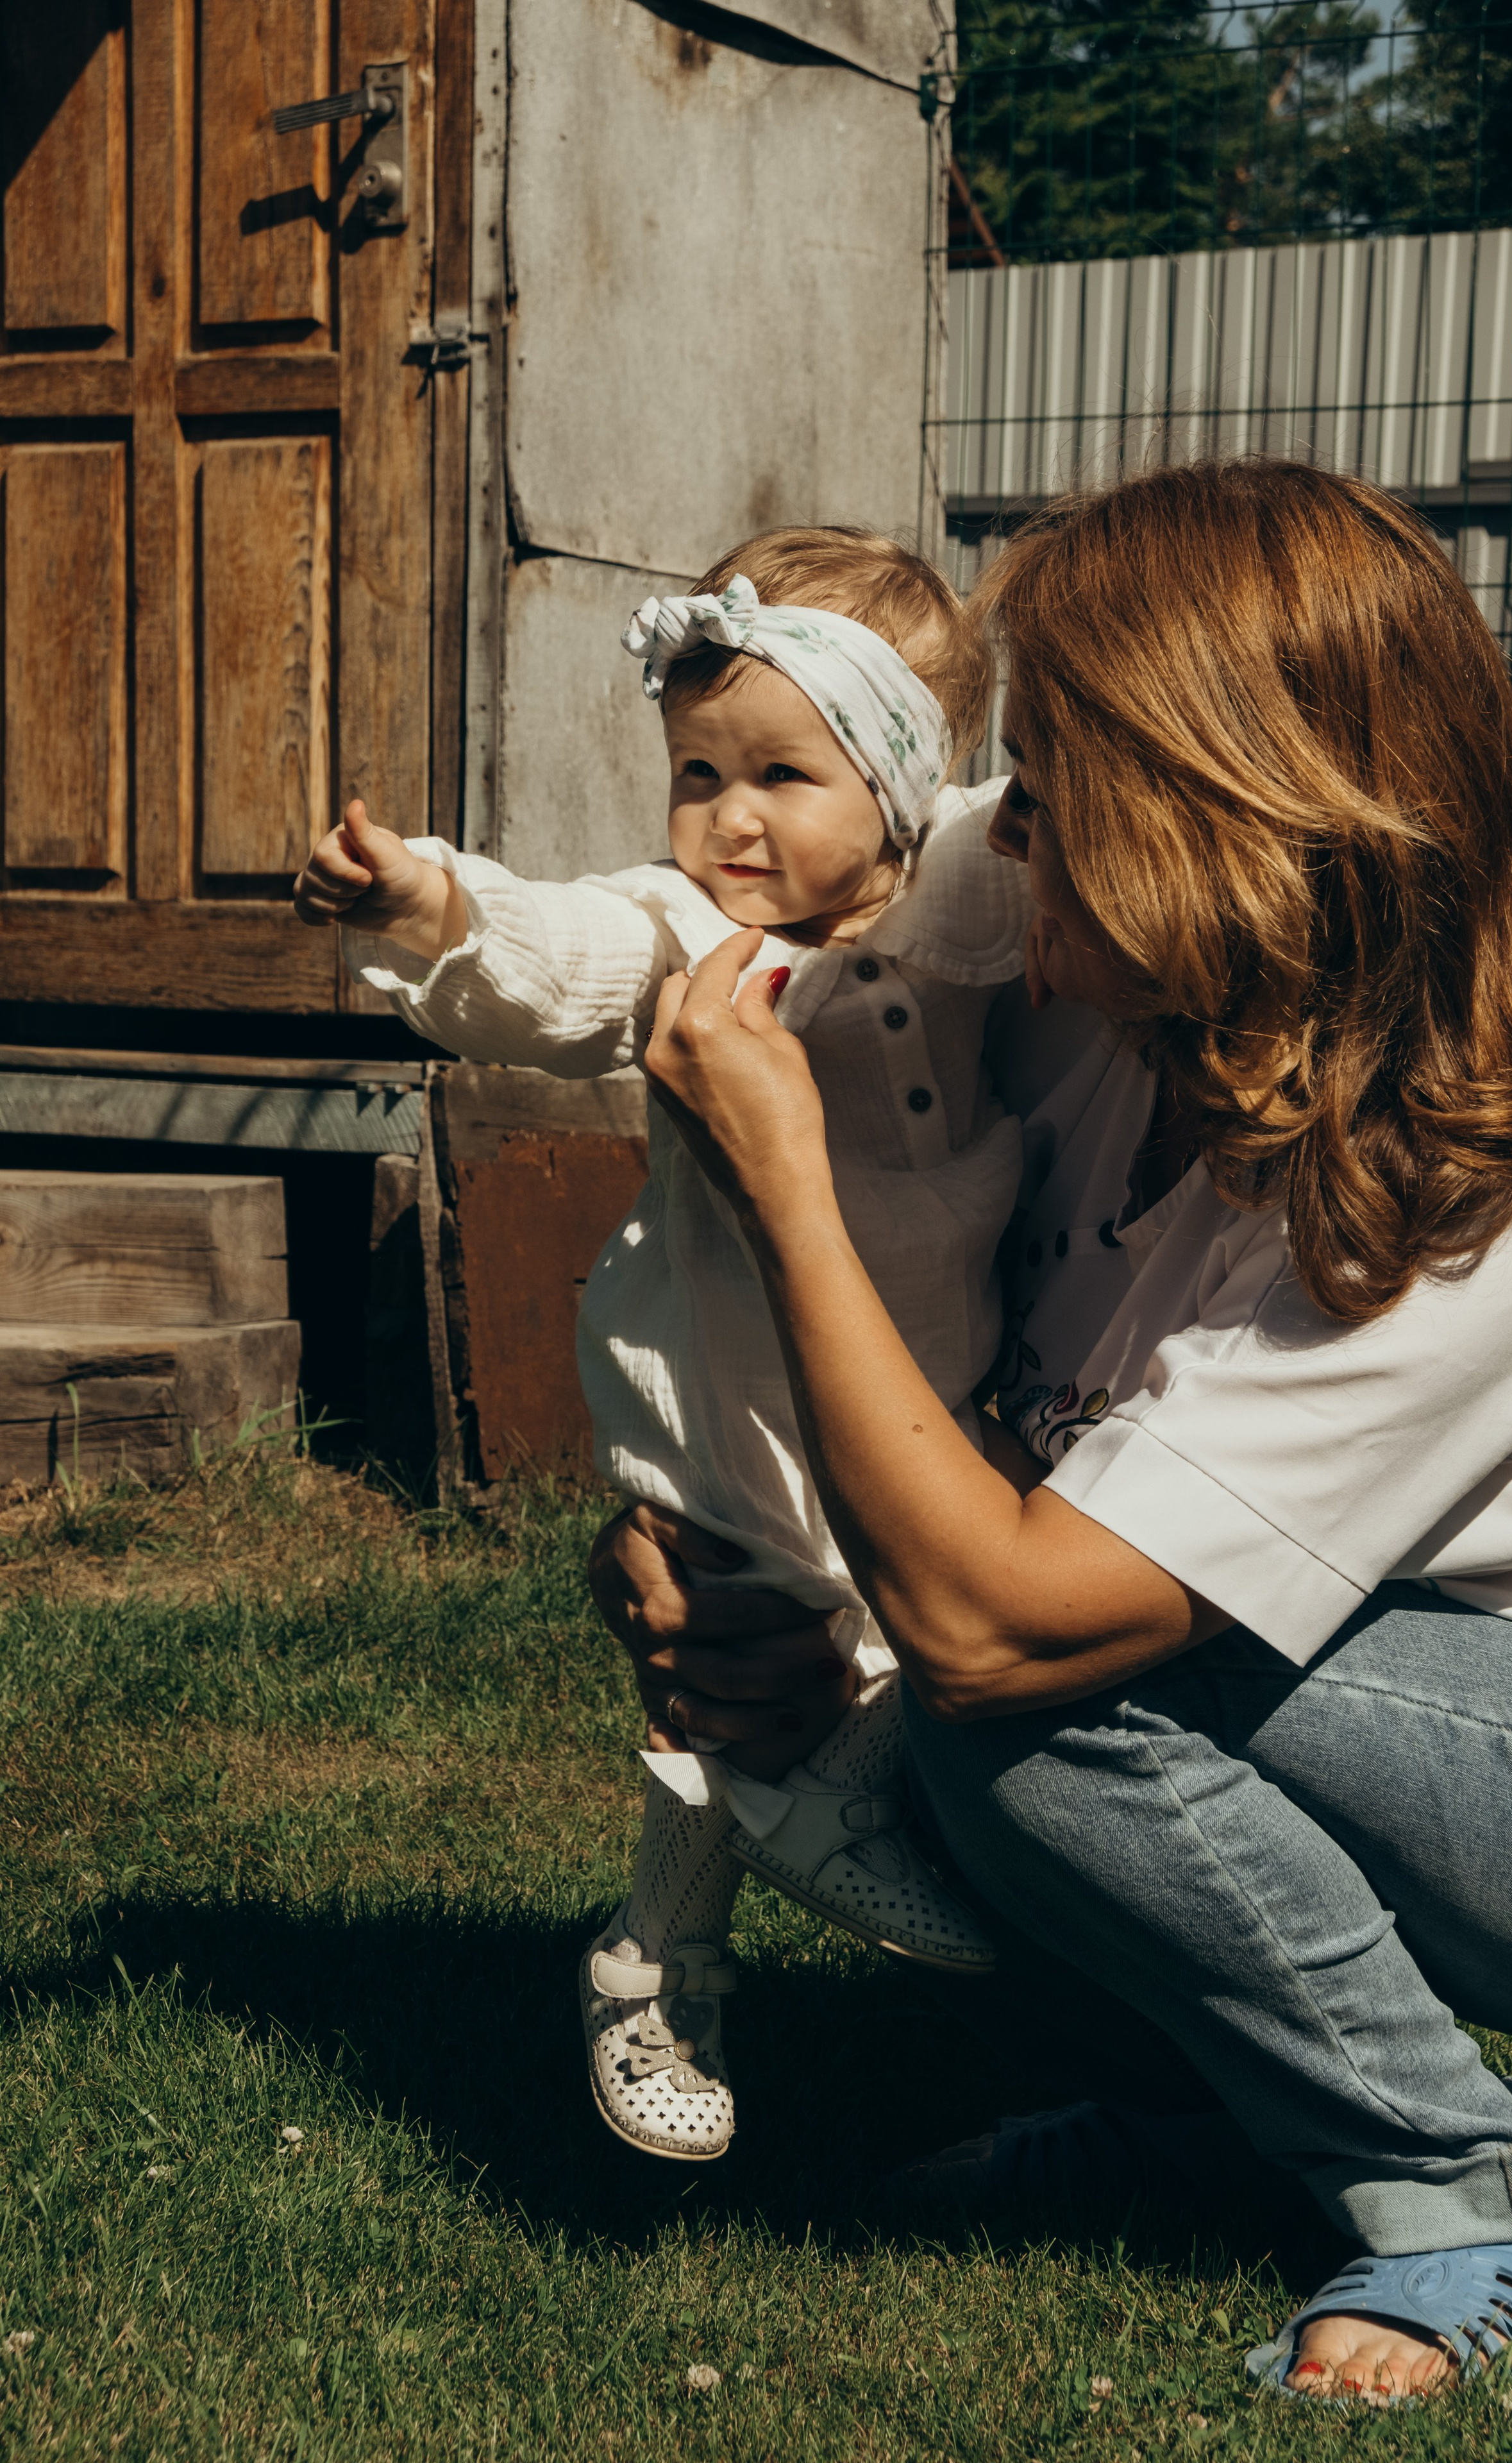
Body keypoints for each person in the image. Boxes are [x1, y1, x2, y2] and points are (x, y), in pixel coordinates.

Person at [601, 461, 1512, 2401]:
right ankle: (1202, 2126)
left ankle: (1478, 2206)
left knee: (1029, 1691)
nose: (1002, 834)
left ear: (1219, 824)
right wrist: (699, 1557)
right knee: (943, 1684)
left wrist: (787, 1184)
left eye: (1056, 794)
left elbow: (1001, 1620)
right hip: (1349, 1696)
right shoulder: (1097, 1004)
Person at [291, 528, 1036, 2162]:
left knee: (913, 1624)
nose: (724, 819)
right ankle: (691, 1936)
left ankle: (713, 1898)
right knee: (742, 1658)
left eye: (780, 774)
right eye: (697, 771)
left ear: (903, 781)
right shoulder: (681, 926)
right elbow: (562, 955)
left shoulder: (974, 877)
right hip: (719, 1391)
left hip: (923, 1374)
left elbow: (1053, 841)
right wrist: (431, 903)